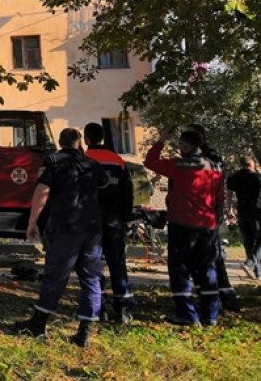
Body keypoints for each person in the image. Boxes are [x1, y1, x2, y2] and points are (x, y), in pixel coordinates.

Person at [13, 128, 106, 347]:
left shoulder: (54, 161)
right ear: (79, 143)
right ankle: (85, 331)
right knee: (91, 278)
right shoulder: (92, 164)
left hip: (66, 227)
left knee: (55, 275)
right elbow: (102, 185)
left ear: (60, 142)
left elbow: (42, 191)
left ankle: (38, 324)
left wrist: (32, 222)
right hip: (92, 229)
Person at [144, 129, 223, 326]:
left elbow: (150, 162)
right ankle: (211, 315)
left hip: (183, 224)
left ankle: (187, 314)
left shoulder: (179, 165)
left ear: (186, 146)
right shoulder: (215, 167)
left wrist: (161, 141)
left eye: (181, 145)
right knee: (207, 270)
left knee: (180, 269)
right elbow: (219, 198)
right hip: (208, 225)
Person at [185, 123, 240, 312]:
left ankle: (224, 300)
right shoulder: (199, 157)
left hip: (207, 215)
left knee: (213, 259)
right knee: (202, 259)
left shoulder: (209, 157)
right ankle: (211, 299)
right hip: (200, 215)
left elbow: (216, 187)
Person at [83, 122, 135, 323]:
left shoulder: (84, 160)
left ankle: (99, 307)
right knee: (117, 263)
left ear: (86, 138)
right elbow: (127, 191)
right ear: (103, 137)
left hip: (90, 219)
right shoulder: (117, 160)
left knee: (93, 263)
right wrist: (125, 215)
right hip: (113, 218)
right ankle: (124, 308)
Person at [226, 157, 261, 279]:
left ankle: (257, 273)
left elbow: (229, 195)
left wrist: (229, 210)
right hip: (256, 213)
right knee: (258, 241)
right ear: (251, 163)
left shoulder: (233, 177)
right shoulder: (257, 177)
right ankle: (250, 264)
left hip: (242, 213)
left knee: (248, 241)